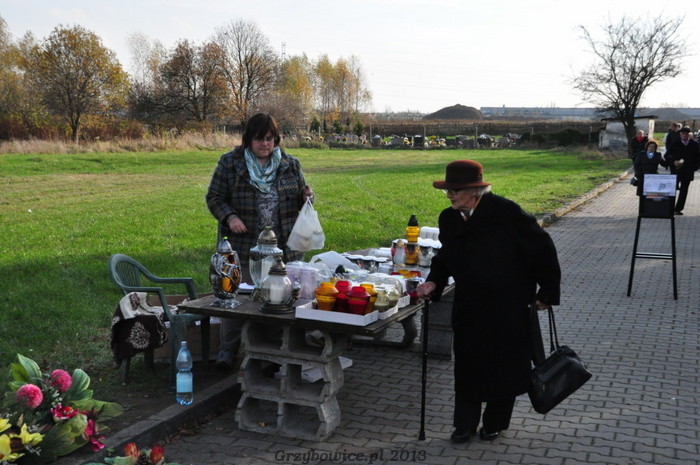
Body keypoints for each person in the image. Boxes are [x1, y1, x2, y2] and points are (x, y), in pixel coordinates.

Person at [415, 159, 561, 444]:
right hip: (470, 305)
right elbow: (445, 256)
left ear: (475, 189)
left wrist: (547, 292)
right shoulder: (449, 218)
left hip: (509, 304)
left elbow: (543, 248)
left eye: (455, 190)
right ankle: (464, 425)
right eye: (447, 190)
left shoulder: (507, 212)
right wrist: (435, 281)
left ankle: (494, 423)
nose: (450, 195)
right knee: (468, 365)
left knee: (505, 366)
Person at [206, 113, 314, 369]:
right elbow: (214, 198)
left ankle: (270, 356)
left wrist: (307, 197)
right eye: (259, 139)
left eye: (269, 139)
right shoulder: (230, 163)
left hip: (282, 249)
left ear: (276, 139)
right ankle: (227, 352)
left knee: (277, 301)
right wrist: (230, 217)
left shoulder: (290, 164)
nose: (265, 144)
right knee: (236, 299)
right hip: (243, 246)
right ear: (248, 140)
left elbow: (301, 198)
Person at [663, 126, 700, 215]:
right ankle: (670, 208)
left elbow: (698, 157)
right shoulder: (675, 143)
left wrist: (694, 167)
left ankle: (678, 209)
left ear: (689, 135)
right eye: (683, 134)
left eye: (686, 134)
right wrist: (674, 161)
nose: (684, 135)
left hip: (688, 171)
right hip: (676, 170)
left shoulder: (694, 144)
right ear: (680, 135)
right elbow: (667, 155)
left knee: (684, 191)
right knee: (672, 190)